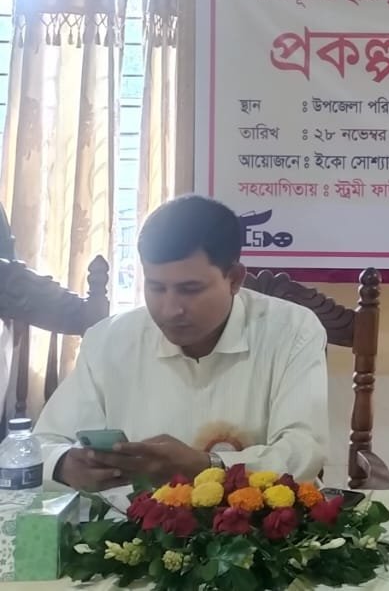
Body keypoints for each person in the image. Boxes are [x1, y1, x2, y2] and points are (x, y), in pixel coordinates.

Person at [34, 195, 330, 491]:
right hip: (129, 517)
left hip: (256, 515)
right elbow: (43, 444)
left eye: (190, 289)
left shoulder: (291, 331)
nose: (170, 309)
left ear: (234, 279)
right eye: (156, 287)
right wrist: (64, 465)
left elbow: (302, 452)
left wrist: (207, 467)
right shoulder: (109, 340)